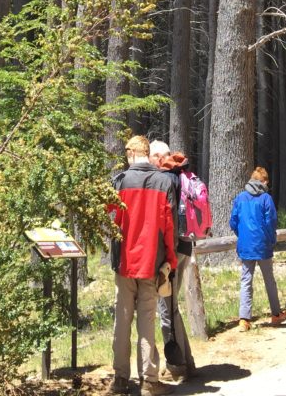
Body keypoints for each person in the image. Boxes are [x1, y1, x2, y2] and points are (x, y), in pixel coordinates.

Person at [108, 135, 178, 396]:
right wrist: (170, 260)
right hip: (151, 263)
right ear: (147, 154)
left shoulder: (120, 181)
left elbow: (111, 219)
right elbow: (169, 227)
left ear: (130, 153)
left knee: (122, 320)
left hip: (124, 263)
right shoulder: (164, 182)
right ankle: (149, 380)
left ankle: (119, 379)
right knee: (147, 321)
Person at [155, 149, 198, 381]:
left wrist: (166, 259)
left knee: (166, 309)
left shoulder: (165, 179)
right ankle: (187, 362)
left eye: (154, 157)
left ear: (160, 156)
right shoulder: (182, 175)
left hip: (171, 252)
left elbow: (168, 220)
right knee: (172, 307)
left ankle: (176, 366)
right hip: (185, 246)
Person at [229, 167, 286, 330]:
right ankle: (276, 314)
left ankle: (244, 319)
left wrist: (242, 235)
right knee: (269, 279)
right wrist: (271, 240)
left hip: (246, 245)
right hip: (263, 245)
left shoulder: (240, 198)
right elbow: (271, 222)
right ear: (263, 181)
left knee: (246, 280)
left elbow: (233, 221)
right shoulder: (266, 198)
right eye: (266, 181)